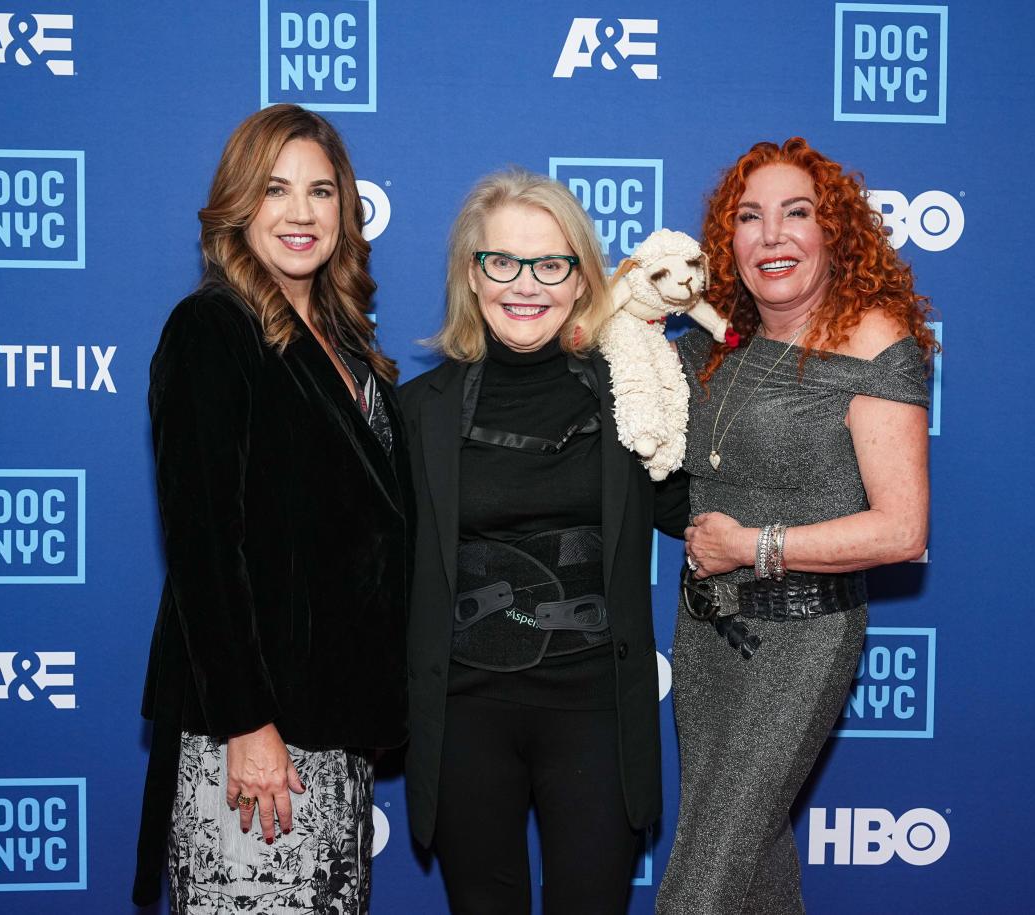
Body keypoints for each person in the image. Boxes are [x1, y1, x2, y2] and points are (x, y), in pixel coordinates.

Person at [132, 104, 412, 914]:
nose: (300, 213)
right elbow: (203, 546)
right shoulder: (212, 329)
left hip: (332, 727)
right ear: (237, 206)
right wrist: (247, 726)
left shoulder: (347, 343)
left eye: (321, 191)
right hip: (256, 739)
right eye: (275, 190)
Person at [656, 138, 937, 914]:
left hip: (801, 641)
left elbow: (903, 530)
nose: (771, 235)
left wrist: (754, 546)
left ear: (833, 232)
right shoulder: (717, 343)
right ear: (728, 242)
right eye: (749, 217)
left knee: (698, 888)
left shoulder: (877, 342)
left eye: (796, 213)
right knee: (755, 869)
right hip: (704, 637)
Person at [399, 169, 689, 915]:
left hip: (594, 708)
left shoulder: (632, 393)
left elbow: (698, 507)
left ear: (583, 276)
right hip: (465, 710)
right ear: (472, 273)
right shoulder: (416, 412)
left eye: (551, 263)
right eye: (502, 261)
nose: (525, 284)